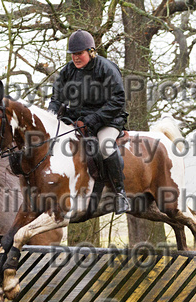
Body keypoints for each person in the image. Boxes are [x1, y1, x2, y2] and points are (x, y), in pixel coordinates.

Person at [48, 29, 131, 214]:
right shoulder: (68, 71)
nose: (76, 58)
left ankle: (120, 194)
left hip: (108, 119)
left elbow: (118, 100)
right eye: (73, 54)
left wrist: (93, 120)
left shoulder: (106, 68)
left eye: (79, 54)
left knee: (105, 146)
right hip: (78, 119)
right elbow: (57, 98)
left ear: (91, 52)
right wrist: (51, 115)